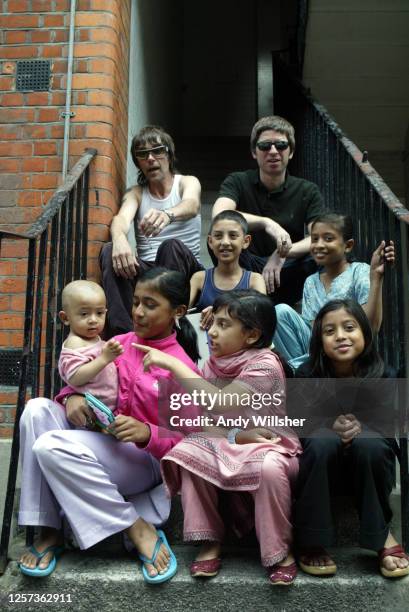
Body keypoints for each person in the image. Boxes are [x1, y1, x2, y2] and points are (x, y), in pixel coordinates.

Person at [18, 268, 200, 584]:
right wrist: (70, 397)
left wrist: (148, 432)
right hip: (101, 440)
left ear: (178, 312)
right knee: (36, 410)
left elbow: (192, 436)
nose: (138, 312)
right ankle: (47, 529)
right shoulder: (118, 343)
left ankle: (135, 525)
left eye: (151, 304)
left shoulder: (181, 366)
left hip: (145, 460)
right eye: (136, 302)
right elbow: (88, 381)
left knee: (50, 446)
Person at [135, 290, 302, 585]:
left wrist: (174, 364)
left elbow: (220, 403)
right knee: (191, 448)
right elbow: (207, 424)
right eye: (213, 323)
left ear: (251, 335)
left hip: (274, 448)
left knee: (268, 467)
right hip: (234, 444)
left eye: (224, 325)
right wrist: (239, 435)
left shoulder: (265, 364)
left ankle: (279, 551)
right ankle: (210, 540)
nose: (211, 331)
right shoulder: (213, 364)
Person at [292, 299, 409, 579]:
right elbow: (295, 422)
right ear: (319, 340)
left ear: (365, 334)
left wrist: (362, 426)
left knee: (370, 442)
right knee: (321, 440)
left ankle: (381, 535)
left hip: (366, 466)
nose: (341, 336)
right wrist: (328, 424)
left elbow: (389, 423)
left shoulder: (384, 374)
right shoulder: (306, 374)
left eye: (349, 327)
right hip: (322, 468)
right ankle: (312, 538)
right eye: (329, 331)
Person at [100, 125, 203, 336]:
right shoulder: (137, 193)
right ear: (137, 162)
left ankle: (167, 325)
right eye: (142, 154)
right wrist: (120, 239)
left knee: (170, 245)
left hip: (184, 272)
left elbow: (191, 204)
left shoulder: (187, 182)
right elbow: (120, 219)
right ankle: (125, 335)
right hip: (148, 272)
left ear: (169, 154)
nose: (151, 158)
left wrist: (167, 215)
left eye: (157, 150)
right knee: (109, 249)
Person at [212, 115, 325, 304]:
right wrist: (267, 223)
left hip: (286, 270)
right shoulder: (238, 181)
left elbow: (319, 236)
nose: (273, 151)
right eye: (265, 146)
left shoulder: (307, 189)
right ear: (254, 152)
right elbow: (220, 215)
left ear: (291, 152)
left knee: (328, 251)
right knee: (217, 236)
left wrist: (283, 252)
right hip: (245, 269)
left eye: (280, 145)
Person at [273, 213, 395, 369]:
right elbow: (313, 332)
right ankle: (303, 370)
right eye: (314, 239)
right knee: (279, 312)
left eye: (328, 239)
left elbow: (370, 328)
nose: (319, 245)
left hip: (349, 346)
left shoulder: (360, 272)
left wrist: (376, 278)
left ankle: (297, 369)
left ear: (348, 245)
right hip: (320, 349)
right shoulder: (311, 281)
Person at [189, 210, 266, 329]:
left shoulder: (255, 280)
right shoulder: (199, 278)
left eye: (233, 236)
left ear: (246, 241)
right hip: (205, 345)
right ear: (210, 241)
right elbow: (180, 313)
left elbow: (262, 316)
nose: (225, 242)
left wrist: (219, 312)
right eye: (218, 236)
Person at [58, 280, 123, 412]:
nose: (93, 320)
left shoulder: (95, 339)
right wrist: (104, 359)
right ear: (65, 318)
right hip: (89, 412)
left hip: (107, 411)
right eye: (84, 314)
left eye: (99, 313)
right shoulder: (75, 342)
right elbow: (74, 377)